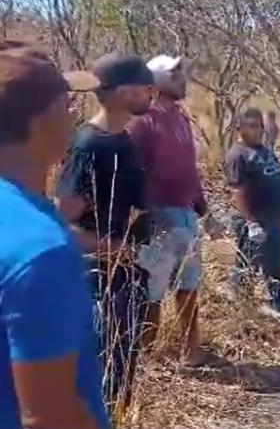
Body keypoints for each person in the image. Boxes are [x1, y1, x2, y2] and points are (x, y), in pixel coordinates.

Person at [0, 42, 109, 429]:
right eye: (66, 107)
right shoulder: (41, 250)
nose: (74, 118)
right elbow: (48, 416)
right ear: (41, 121)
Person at [55, 54, 155, 424]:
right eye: (146, 87)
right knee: (98, 383)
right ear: (123, 92)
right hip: (97, 283)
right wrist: (115, 249)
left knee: (120, 379)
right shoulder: (87, 146)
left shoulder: (125, 141)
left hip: (127, 281)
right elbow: (61, 225)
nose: (152, 94)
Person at [128, 54, 212, 366]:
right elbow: (133, 172)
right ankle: (148, 360)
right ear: (158, 80)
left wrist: (201, 203)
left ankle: (192, 350)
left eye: (182, 73)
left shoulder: (180, 116)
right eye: (175, 74)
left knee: (189, 284)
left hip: (185, 213)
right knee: (154, 289)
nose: (182, 79)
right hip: (158, 216)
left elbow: (189, 165)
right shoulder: (143, 122)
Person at [224, 107, 280, 320]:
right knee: (255, 262)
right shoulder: (237, 155)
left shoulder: (262, 149)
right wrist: (251, 222)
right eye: (252, 126)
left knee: (271, 261)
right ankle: (256, 304)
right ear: (239, 128)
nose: (258, 130)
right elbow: (237, 191)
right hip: (255, 220)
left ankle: (271, 301)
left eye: (260, 126)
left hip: (272, 219)